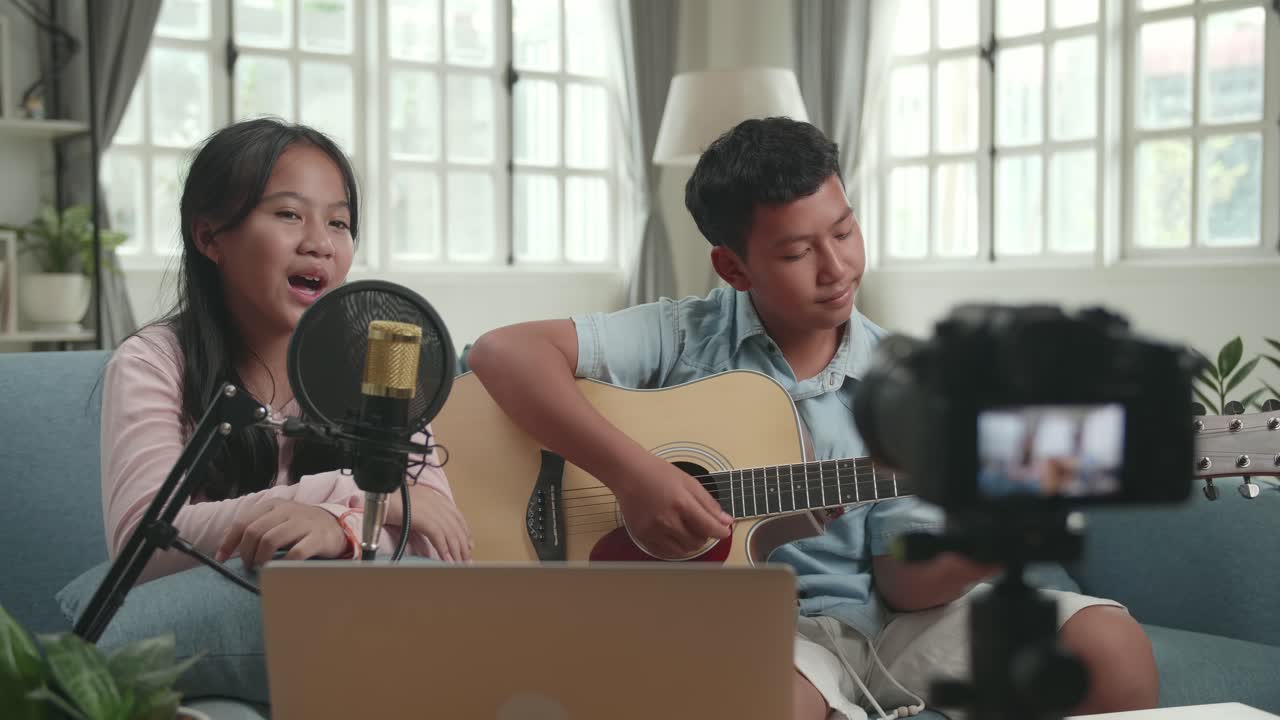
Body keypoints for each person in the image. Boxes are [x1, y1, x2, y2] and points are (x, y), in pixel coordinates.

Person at [467, 117, 1157, 720]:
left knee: (1110, 650)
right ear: (732, 267)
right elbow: (504, 352)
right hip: (738, 628)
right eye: (797, 253)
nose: (836, 268)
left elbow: (903, 581)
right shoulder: (680, 336)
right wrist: (633, 473)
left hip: (877, 621)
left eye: (846, 231)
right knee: (767, 699)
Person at [100, 118, 472, 585]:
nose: (320, 244)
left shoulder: (379, 362)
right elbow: (144, 546)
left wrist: (338, 526)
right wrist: (357, 493)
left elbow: (438, 536)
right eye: (289, 215)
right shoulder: (152, 363)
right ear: (210, 237)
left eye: (339, 222)